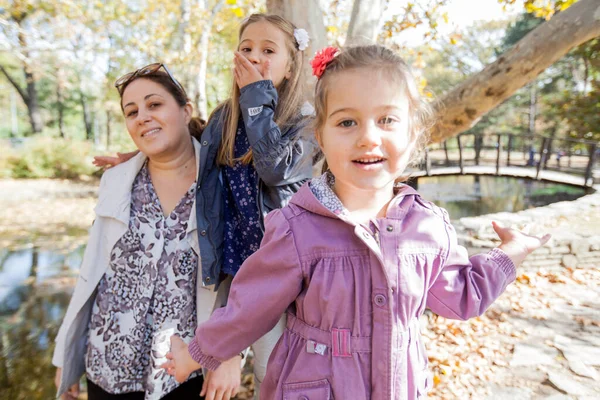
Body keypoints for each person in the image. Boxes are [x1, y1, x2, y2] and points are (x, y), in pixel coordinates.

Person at [160, 45, 551, 399]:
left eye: (387, 120)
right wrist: (195, 355)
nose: (368, 137)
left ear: (413, 133)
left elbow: (461, 295)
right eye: (347, 123)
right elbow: (248, 308)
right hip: (312, 387)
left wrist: (510, 253)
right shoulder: (297, 228)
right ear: (321, 138)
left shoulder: (428, 227)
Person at [92, 14, 316, 397]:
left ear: (291, 64)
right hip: (233, 266)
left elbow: (275, 168)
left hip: (279, 269)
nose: (255, 57)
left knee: (275, 369)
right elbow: (195, 137)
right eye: (246, 49)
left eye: (267, 50)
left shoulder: (305, 122)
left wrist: (257, 98)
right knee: (223, 355)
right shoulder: (225, 117)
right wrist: (141, 152)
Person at [53, 64, 242, 400]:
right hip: (107, 364)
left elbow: (243, 279)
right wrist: (65, 359)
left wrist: (230, 351)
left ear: (185, 112)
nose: (142, 116)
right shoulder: (116, 182)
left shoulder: (225, 184)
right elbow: (91, 273)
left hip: (181, 370)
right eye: (132, 111)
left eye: (154, 105)